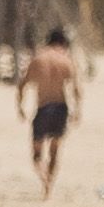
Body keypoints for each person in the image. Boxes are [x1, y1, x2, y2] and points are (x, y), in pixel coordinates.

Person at [17, 27, 78, 196]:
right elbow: (76, 89)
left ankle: (43, 177)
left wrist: (20, 106)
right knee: (55, 150)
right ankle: (49, 185)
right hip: (61, 108)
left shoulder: (38, 59)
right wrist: (78, 110)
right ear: (63, 42)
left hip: (43, 107)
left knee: (37, 153)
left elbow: (23, 85)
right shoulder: (66, 60)